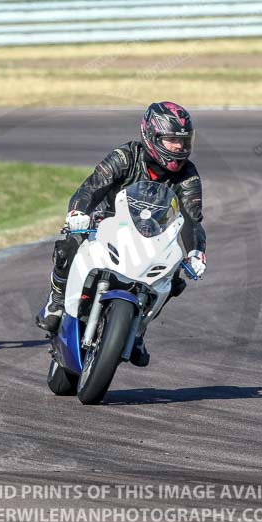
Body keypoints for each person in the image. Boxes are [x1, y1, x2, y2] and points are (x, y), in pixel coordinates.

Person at [35, 101, 207, 367]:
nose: (179, 148)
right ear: (151, 136)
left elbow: (192, 220)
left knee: (173, 279)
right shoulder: (125, 156)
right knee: (67, 245)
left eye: (184, 141)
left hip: (152, 238)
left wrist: (196, 250)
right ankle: (56, 301)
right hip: (105, 224)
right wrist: (78, 214)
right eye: (172, 140)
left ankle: (138, 329)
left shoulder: (188, 174)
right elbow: (91, 187)